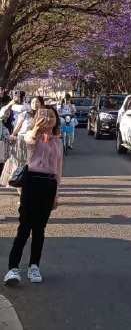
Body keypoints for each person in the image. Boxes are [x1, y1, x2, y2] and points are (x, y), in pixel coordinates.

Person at [4, 106, 63, 286]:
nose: (48, 118)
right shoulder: (32, 136)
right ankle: (13, 269)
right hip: (31, 182)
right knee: (24, 227)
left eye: (51, 116)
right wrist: (36, 129)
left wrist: (56, 195)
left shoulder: (58, 142)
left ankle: (34, 266)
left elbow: (58, 169)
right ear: (36, 118)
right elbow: (28, 143)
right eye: (43, 115)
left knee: (40, 229)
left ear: (56, 120)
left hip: (49, 184)